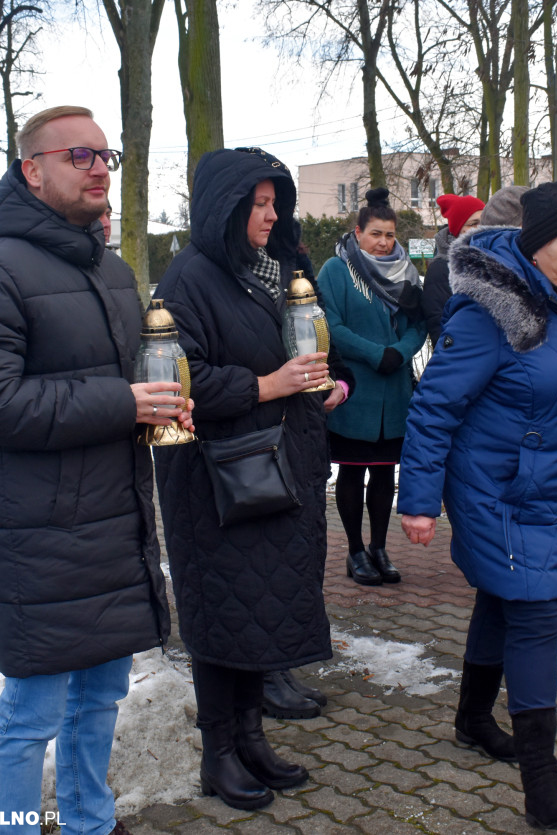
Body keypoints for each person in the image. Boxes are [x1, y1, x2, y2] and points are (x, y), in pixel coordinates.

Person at [0, 105, 188, 835]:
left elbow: (125, 383)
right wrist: (122, 402)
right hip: (38, 532)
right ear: (32, 170)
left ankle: (89, 820)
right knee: (33, 710)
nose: (100, 167)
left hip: (114, 521)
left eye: (106, 155)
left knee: (103, 692)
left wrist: (160, 407)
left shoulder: (110, 270)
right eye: (80, 155)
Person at [398, 182, 557, 831]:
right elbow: (435, 407)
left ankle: (471, 719)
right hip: (495, 490)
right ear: (534, 243)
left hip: (555, 480)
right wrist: (417, 500)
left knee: (503, 597)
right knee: (535, 615)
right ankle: (541, 784)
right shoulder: (489, 311)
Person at [152, 147, 352, 810]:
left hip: (277, 467)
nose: (270, 216)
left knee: (258, 610)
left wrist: (322, 382)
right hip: (216, 479)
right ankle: (219, 753)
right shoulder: (188, 278)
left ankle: (251, 738)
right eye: (258, 204)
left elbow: (302, 349)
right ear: (225, 207)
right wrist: (267, 385)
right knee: (222, 616)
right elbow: (174, 376)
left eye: (275, 203)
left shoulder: (274, 271)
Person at [317, 187, 428, 586]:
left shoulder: (407, 273)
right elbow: (330, 325)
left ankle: (380, 548)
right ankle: (354, 550)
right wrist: (375, 353)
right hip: (356, 388)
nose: (384, 243)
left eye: (390, 235)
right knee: (352, 471)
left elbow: (420, 322)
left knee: (384, 474)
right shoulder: (337, 270)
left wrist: (400, 351)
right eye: (376, 234)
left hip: (395, 388)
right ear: (358, 232)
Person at [422, 193, 485, 347]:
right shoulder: (441, 268)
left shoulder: (491, 260)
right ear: (458, 229)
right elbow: (439, 324)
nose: (481, 228)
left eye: (484, 221)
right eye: (473, 223)